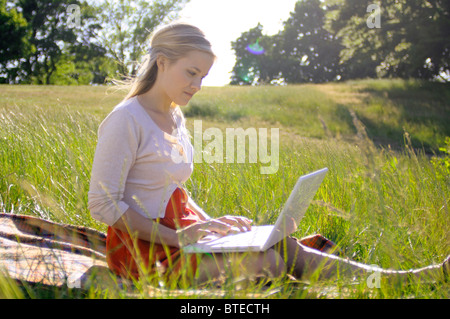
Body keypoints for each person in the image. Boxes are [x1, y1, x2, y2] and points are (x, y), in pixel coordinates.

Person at [88, 22, 448, 286]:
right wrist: (180, 238)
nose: (197, 86)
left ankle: (406, 280)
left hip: (186, 236)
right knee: (270, 264)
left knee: (282, 244)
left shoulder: (173, 115)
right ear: (162, 63)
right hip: (145, 252)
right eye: (191, 73)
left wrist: (213, 225)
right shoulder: (125, 120)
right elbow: (103, 205)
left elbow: (169, 189)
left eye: (204, 76)